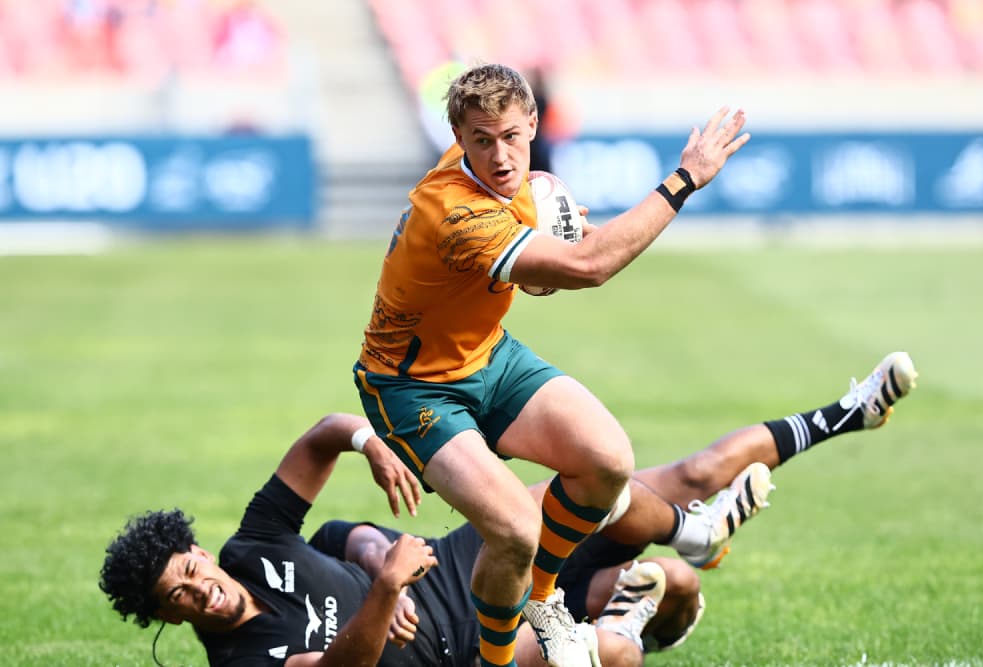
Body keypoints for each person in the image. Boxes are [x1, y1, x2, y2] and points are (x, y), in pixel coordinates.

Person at [101, 351, 917, 667]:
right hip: (469, 646)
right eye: (176, 596)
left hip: (467, 557)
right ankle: (659, 599)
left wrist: (367, 441)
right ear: (164, 618)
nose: (198, 589)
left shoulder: (253, 547)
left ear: (200, 550)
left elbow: (320, 444)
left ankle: (847, 414)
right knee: (638, 623)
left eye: (190, 569)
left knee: (680, 475)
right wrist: (386, 587)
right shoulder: (240, 662)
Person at [353, 62, 751, 666]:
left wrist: (553, 229)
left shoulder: (513, 180)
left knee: (607, 461)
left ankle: (543, 598)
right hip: (412, 387)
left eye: (511, 136)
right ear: (458, 140)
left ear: (533, 123)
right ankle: (497, 663)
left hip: (485, 353)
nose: (500, 156)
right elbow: (588, 268)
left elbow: (540, 215)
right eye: (481, 141)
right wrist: (684, 180)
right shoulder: (456, 212)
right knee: (514, 528)